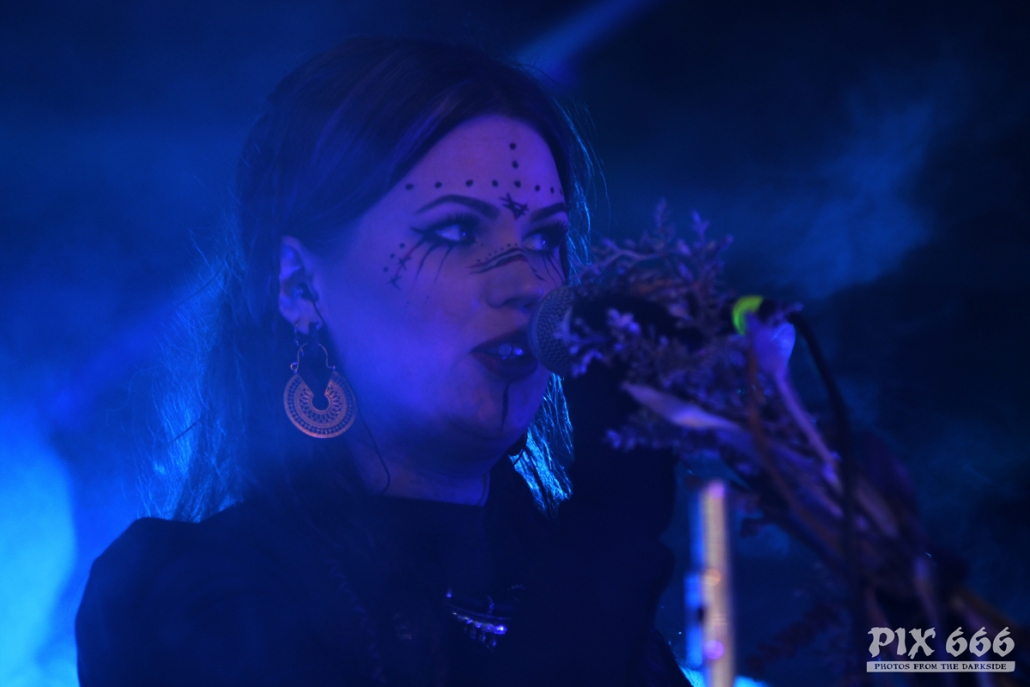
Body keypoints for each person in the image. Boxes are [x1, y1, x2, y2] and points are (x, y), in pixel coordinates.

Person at [75, 36, 690, 687]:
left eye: (546, 238)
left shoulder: (572, 573)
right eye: (455, 231)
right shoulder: (186, 596)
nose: (530, 284)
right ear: (300, 286)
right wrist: (612, 520)